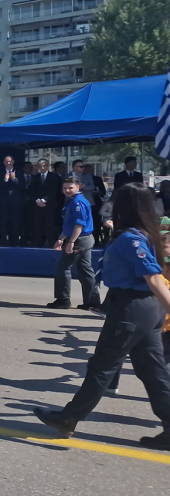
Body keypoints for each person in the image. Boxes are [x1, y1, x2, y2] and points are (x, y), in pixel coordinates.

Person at [34, 182, 170, 451]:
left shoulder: (132, 238)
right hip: (146, 309)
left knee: (102, 367)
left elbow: (153, 276)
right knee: (153, 372)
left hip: (132, 308)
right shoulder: (145, 235)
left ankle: (68, 417)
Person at [47, 177, 101, 310]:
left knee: (62, 267)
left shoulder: (78, 202)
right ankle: (92, 302)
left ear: (78, 187)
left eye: (70, 187)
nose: (67, 190)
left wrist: (71, 241)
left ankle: (63, 299)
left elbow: (79, 224)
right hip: (82, 238)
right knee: (85, 270)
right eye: (65, 188)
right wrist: (61, 238)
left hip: (79, 239)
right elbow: (69, 224)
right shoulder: (71, 201)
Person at [30, 159, 62, 248]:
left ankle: (52, 242)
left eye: (44, 166)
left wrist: (44, 200)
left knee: (50, 224)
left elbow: (54, 191)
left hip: (50, 204)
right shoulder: (35, 177)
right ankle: (38, 243)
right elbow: (32, 191)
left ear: (48, 166)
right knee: (37, 224)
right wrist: (37, 200)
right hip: (37, 205)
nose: (42, 167)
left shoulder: (54, 177)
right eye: (40, 166)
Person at [0, 156, 24, 246]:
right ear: (4, 162)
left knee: (15, 223)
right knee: (3, 223)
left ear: (13, 162)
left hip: (15, 202)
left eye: (10, 161)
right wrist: (5, 179)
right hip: (3, 202)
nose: (8, 163)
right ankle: (3, 242)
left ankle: (14, 242)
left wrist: (15, 179)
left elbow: (23, 186)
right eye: (6, 161)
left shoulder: (19, 172)